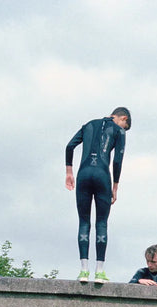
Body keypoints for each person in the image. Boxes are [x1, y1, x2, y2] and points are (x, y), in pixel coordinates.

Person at [65, 106, 131, 283]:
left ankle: (83, 271)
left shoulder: (88, 125)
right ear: (123, 118)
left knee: (84, 221)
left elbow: (69, 146)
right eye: (125, 125)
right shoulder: (119, 131)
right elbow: (117, 160)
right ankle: (99, 271)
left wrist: (69, 172)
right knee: (101, 223)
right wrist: (115, 186)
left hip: (83, 174)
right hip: (102, 176)